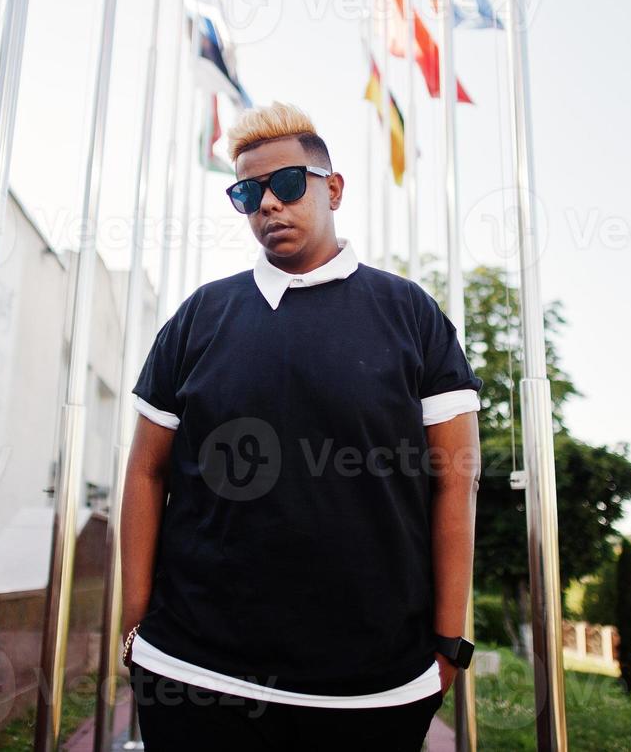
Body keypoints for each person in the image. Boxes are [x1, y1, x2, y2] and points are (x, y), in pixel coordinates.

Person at [119, 101, 482, 751]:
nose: (267, 205)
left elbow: (456, 481)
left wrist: (449, 642)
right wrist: (136, 623)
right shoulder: (200, 316)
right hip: (192, 675)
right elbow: (146, 470)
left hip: (373, 687)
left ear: (332, 188)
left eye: (286, 184)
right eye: (246, 192)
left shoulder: (409, 315)